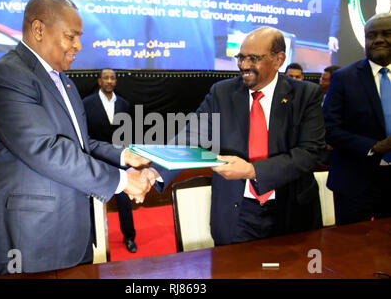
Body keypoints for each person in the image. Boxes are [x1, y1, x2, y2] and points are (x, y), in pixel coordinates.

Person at [0, 0, 153, 277]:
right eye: (71, 36)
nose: (78, 45)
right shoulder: (7, 76)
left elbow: (80, 143)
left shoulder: (64, 82)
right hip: (22, 236)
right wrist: (123, 180)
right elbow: (45, 149)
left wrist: (127, 155)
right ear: (38, 29)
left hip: (69, 232)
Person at [146, 27, 325, 245]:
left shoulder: (306, 95)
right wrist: (155, 171)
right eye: (241, 57)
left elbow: (309, 152)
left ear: (278, 60)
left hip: (292, 212)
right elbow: (191, 136)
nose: (244, 65)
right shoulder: (222, 93)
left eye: (253, 58)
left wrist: (252, 170)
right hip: (237, 213)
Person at [323, 13, 391, 226]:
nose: (378, 39)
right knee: (351, 251)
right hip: (355, 181)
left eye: (386, 33)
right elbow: (329, 129)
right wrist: (375, 146)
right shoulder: (344, 78)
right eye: (372, 35)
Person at [83, 69, 138, 253]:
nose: (109, 81)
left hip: (120, 160)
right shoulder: (86, 104)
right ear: (99, 81)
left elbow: (129, 134)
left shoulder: (124, 104)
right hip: (96, 161)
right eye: (105, 78)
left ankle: (129, 237)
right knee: (94, 203)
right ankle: (92, 239)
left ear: (115, 81)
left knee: (124, 201)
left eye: (112, 78)